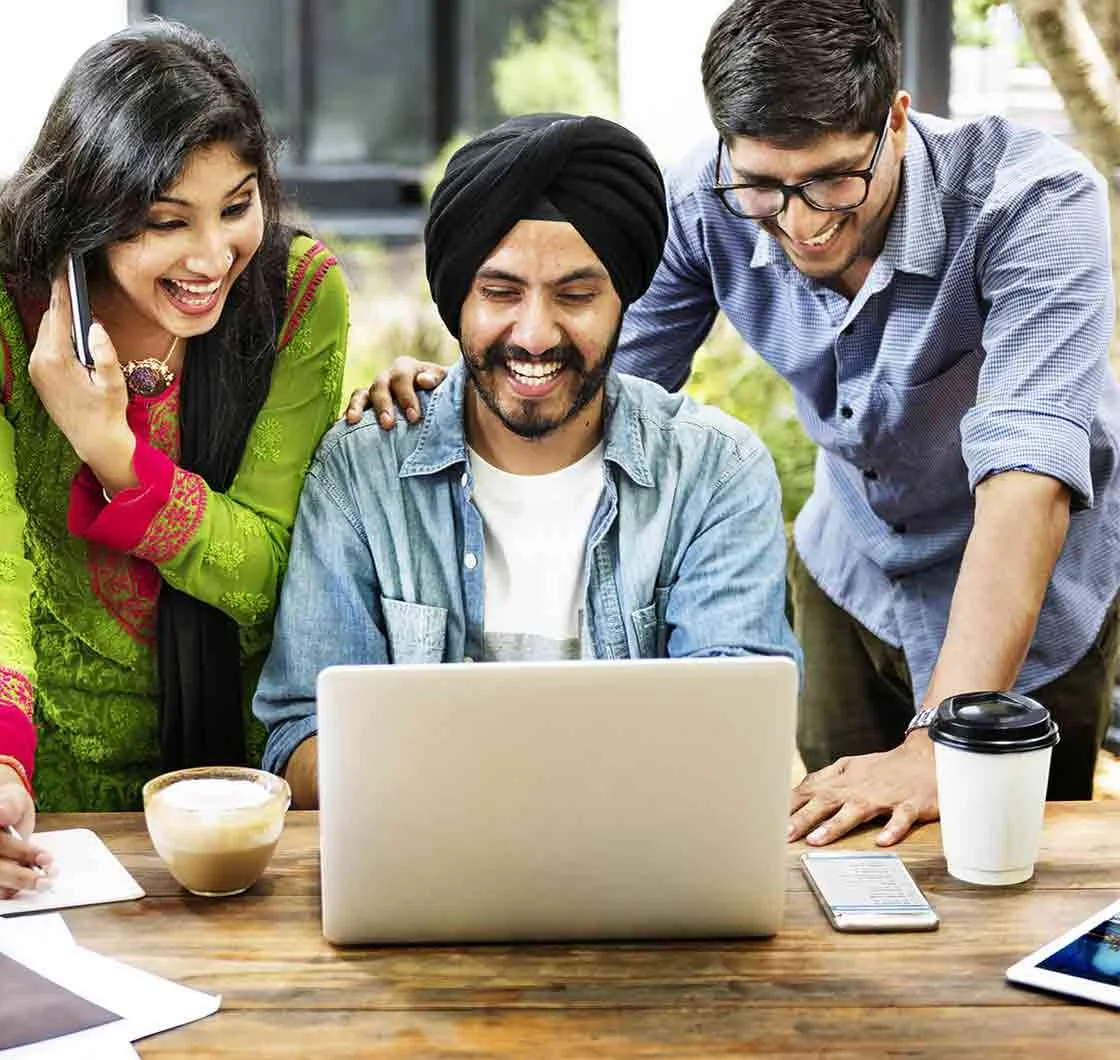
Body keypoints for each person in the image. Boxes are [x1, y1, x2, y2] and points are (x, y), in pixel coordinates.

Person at [347, 0, 1120, 847]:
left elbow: (1027, 479)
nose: (802, 222)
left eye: (832, 180)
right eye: (763, 186)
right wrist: (469, 386)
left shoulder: (1034, 204)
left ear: (895, 122)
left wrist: (943, 738)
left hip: (1029, 596)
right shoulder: (704, 199)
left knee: (998, 874)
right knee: (834, 849)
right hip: (851, 571)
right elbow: (602, 381)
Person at [0, 20, 348, 894]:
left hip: (252, 799)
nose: (213, 257)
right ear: (87, 211)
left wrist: (115, 456)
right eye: (165, 223)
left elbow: (271, 571)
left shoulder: (296, 297)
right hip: (47, 798)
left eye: (238, 205)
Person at [253, 113, 800, 809]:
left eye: (575, 295)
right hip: (428, 881)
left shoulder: (714, 474)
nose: (536, 335)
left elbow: (740, 736)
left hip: (647, 889)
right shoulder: (361, 475)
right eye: (501, 293)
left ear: (623, 298)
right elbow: (300, 736)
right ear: (457, 299)